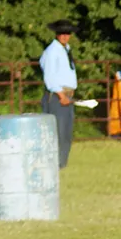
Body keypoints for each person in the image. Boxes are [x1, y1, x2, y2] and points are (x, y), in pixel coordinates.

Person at [40, 19, 79, 168]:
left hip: (67, 94)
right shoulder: (52, 52)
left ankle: (62, 163)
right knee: (58, 132)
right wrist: (61, 95)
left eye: (67, 33)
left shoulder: (66, 50)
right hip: (58, 96)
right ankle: (54, 164)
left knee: (66, 133)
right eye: (61, 33)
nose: (64, 36)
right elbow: (49, 76)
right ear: (57, 34)